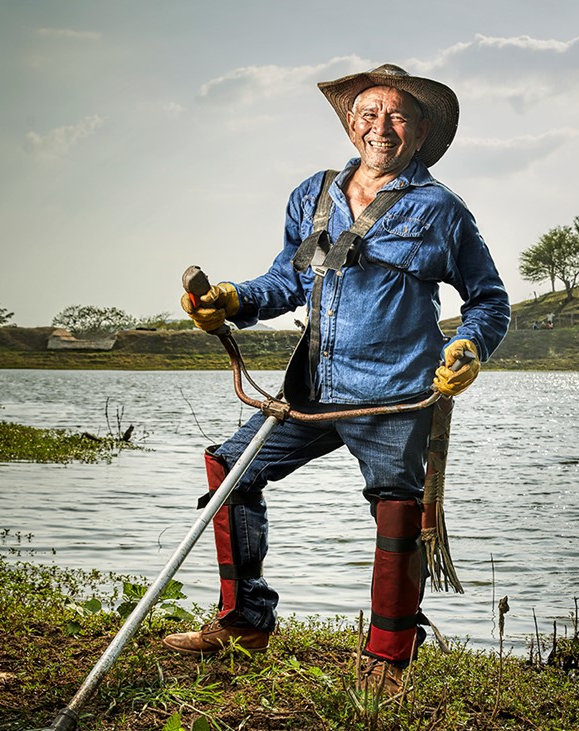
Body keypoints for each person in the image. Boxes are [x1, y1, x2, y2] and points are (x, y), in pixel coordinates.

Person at [164, 64, 510, 699]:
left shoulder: (442, 210)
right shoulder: (312, 194)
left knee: (398, 512)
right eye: (369, 113)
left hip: (398, 393)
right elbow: (286, 281)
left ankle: (388, 658)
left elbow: (490, 300)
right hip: (312, 387)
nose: (382, 127)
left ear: (422, 130)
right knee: (231, 468)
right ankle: (244, 622)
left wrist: (469, 345)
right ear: (351, 124)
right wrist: (233, 299)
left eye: (399, 115)